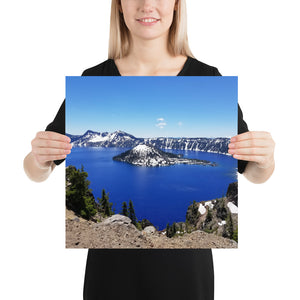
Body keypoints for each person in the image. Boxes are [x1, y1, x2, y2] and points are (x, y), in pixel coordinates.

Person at [23, 0, 275, 299]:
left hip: (186, 277)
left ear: (177, 6)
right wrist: (39, 159)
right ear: (119, 6)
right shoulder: (92, 80)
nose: (147, 5)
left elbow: (255, 174)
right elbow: (35, 171)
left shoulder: (209, 78)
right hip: (110, 276)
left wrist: (265, 158)